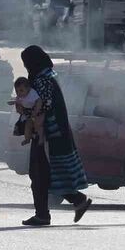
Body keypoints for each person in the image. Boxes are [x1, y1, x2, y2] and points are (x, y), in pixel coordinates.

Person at [20, 45, 92, 226]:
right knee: (50, 175)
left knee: (39, 175)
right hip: (54, 132)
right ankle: (77, 201)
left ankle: (43, 215)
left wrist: (27, 110)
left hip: (48, 135)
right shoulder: (48, 75)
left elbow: (44, 104)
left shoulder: (42, 80)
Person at [10, 77, 43, 147]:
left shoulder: (32, 93)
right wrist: (18, 109)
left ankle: (41, 138)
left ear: (28, 89)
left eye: (21, 90)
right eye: (17, 91)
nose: (19, 93)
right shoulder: (19, 97)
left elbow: (39, 101)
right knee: (27, 126)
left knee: (38, 125)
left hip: (38, 112)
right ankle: (27, 139)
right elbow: (18, 103)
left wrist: (36, 111)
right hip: (30, 114)